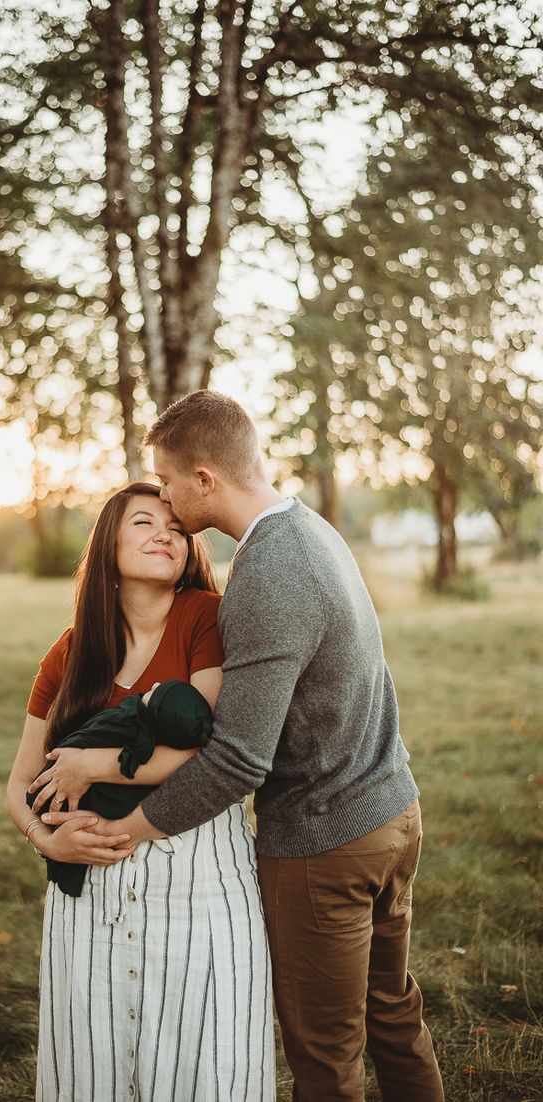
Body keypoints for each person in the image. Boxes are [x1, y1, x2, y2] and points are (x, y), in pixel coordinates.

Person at [49, 392, 445, 1102]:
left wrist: (129, 830)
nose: (166, 500)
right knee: (394, 1017)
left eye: (167, 482)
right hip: (392, 810)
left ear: (205, 479)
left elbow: (237, 760)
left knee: (326, 1060)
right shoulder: (309, 529)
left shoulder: (266, 573)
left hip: (326, 840)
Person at [6, 481, 274, 1102]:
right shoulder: (70, 653)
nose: (165, 535)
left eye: (177, 529)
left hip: (197, 878)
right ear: (109, 545)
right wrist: (46, 839)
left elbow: (204, 749)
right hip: (87, 891)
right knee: (92, 1065)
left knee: (204, 1063)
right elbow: (20, 783)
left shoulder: (206, 616)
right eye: (144, 523)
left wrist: (89, 766)